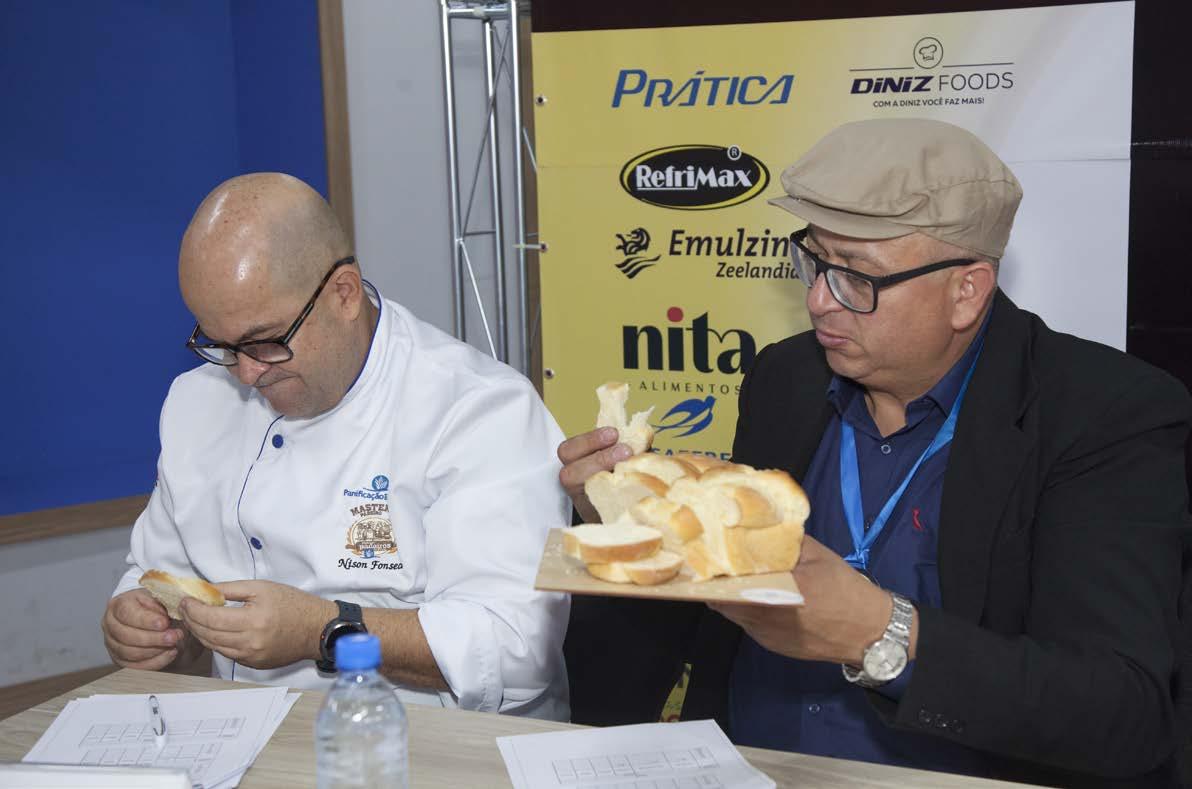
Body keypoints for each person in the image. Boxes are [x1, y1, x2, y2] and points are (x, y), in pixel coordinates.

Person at [559, 119, 1191, 784]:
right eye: (814, 261)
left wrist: (881, 633)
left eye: (857, 277)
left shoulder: (1100, 413)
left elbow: (1121, 711)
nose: (817, 300)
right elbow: (709, 596)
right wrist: (630, 522)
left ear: (967, 291)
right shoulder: (786, 378)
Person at [102, 173, 570, 720]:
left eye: (265, 341)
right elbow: (160, 572)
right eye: (221, 345)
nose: (247, 373)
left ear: (344, 294)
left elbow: (513, 650)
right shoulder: (196, 400)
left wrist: (323, 630)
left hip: (432, 741)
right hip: (242, 731)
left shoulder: (477, 409)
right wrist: (147, 628)